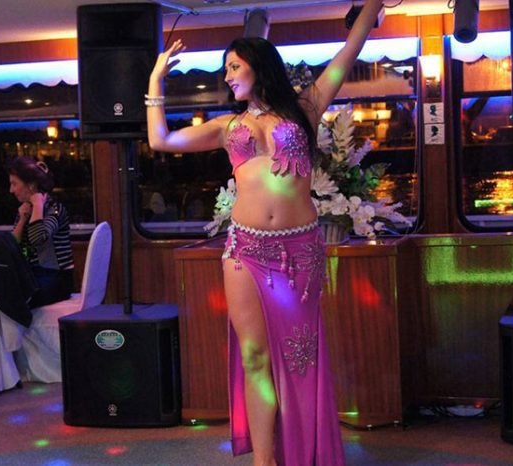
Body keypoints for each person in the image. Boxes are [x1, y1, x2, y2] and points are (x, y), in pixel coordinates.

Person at [147, 2, 382, 464]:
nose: (228, 76)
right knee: (254, 356)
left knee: (299, 358)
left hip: (300, 250)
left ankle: (305, 452)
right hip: (244, 250)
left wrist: (373, 5)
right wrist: (156, 81)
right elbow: (161, 140)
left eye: (234, 66)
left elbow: (348, 51)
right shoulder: (227, 126)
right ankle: (265, 459)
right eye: (226, 69)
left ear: (259, 65)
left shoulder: (306, 108)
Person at [0, 157, 74, 326]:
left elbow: (37, 239)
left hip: (55, 280)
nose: (11, 190)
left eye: (14, 184)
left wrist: (38, 205)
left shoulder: (54, 209)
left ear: (31, 185)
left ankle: (18, 319)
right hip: (31, 275)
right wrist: (22, 218)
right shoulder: (25, 209)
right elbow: (12, 246)